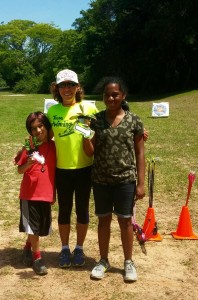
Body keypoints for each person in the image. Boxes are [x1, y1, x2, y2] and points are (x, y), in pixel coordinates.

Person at [86, 77, 146, 281]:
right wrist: (85, 136)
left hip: (125, 180)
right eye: (106, 95)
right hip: (101, 180)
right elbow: (90, 152)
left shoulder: (134, 120)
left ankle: (128, 262)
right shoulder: (95, 120)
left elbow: (140, 153)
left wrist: (141, 182)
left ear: (123, 96)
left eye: (115, 94)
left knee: (125, 222)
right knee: (103, 221)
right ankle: (103, 260)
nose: (110, 98)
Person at [47, 69, 98, 268]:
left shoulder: (89, 108)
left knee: (82, 210)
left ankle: (79, 248)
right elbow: (44, 135)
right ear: (57, 89)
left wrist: (138, 133)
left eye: (70, 85)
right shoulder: (52, 111)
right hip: (62, 169)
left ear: (78, 87)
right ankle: (65, 248)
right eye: (62, 85)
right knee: (64, 211)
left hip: (85, 168)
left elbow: (105, 130)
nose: (66, 89)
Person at [16, 112, 56, 275]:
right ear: (30, 131)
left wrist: (55, 193)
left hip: (46, 193)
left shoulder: (54, 147)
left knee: (39, 227)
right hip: (29, 194)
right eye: (34, 129)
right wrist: (28, 162)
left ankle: (27, 247)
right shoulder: (29, 148)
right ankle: (37, 258)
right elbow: (20, 170)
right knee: (33, 227)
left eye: (41, 126)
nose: (38, 130)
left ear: (46, 126)